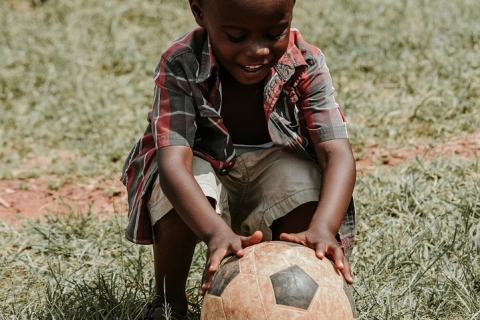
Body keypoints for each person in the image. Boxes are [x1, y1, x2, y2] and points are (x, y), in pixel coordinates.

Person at [121, 0, 356, 318]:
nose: (257, 51)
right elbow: (173, 164)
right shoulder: (182, 62)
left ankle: (302, 297)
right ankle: (168, 302)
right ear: (200, 12)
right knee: (176, 183)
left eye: (275, 33)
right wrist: (216, 233)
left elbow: (336, 154)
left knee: (304, 178)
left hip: (273, 180)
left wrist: (325, 227)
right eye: (236, 36)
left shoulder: (305, 61)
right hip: (204, 188)